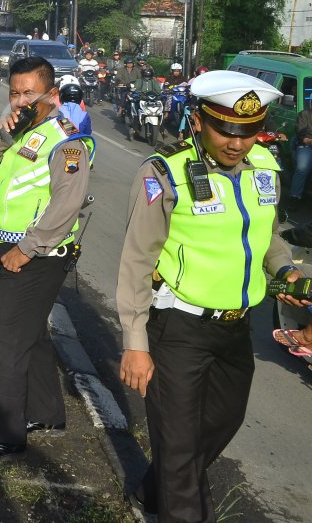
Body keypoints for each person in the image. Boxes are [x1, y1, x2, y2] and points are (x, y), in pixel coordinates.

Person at [117, 70, 311, 520]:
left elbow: (267, 236)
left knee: (222, 423)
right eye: (226, 129)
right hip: (177, 329)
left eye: (248, 131)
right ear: (199, 120)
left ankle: (153, 488)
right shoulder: (163, 173)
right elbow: (136, 261)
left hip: (235, 328)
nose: (237, 143)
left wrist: (286, 272)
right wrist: (135, 343)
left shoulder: (265, 167)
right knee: (181, 449)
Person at [0, 56, 93, 460]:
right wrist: (2, 135)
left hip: (38, 254)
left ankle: (4, 434)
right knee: (31, 335)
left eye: (28, 93)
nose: (19, 99)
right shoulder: (24, 130)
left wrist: (24, 250)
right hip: (16, 248)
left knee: (4, 341)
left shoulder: (67, 141)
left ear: (52, 94)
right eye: (14, 92)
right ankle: (46, 412)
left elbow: (67, 205)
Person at [288, 104, 312, 204]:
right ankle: (294, 197)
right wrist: (307, 139)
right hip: (306, 146)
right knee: (302, 169)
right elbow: (302, 133)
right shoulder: (304, 114)